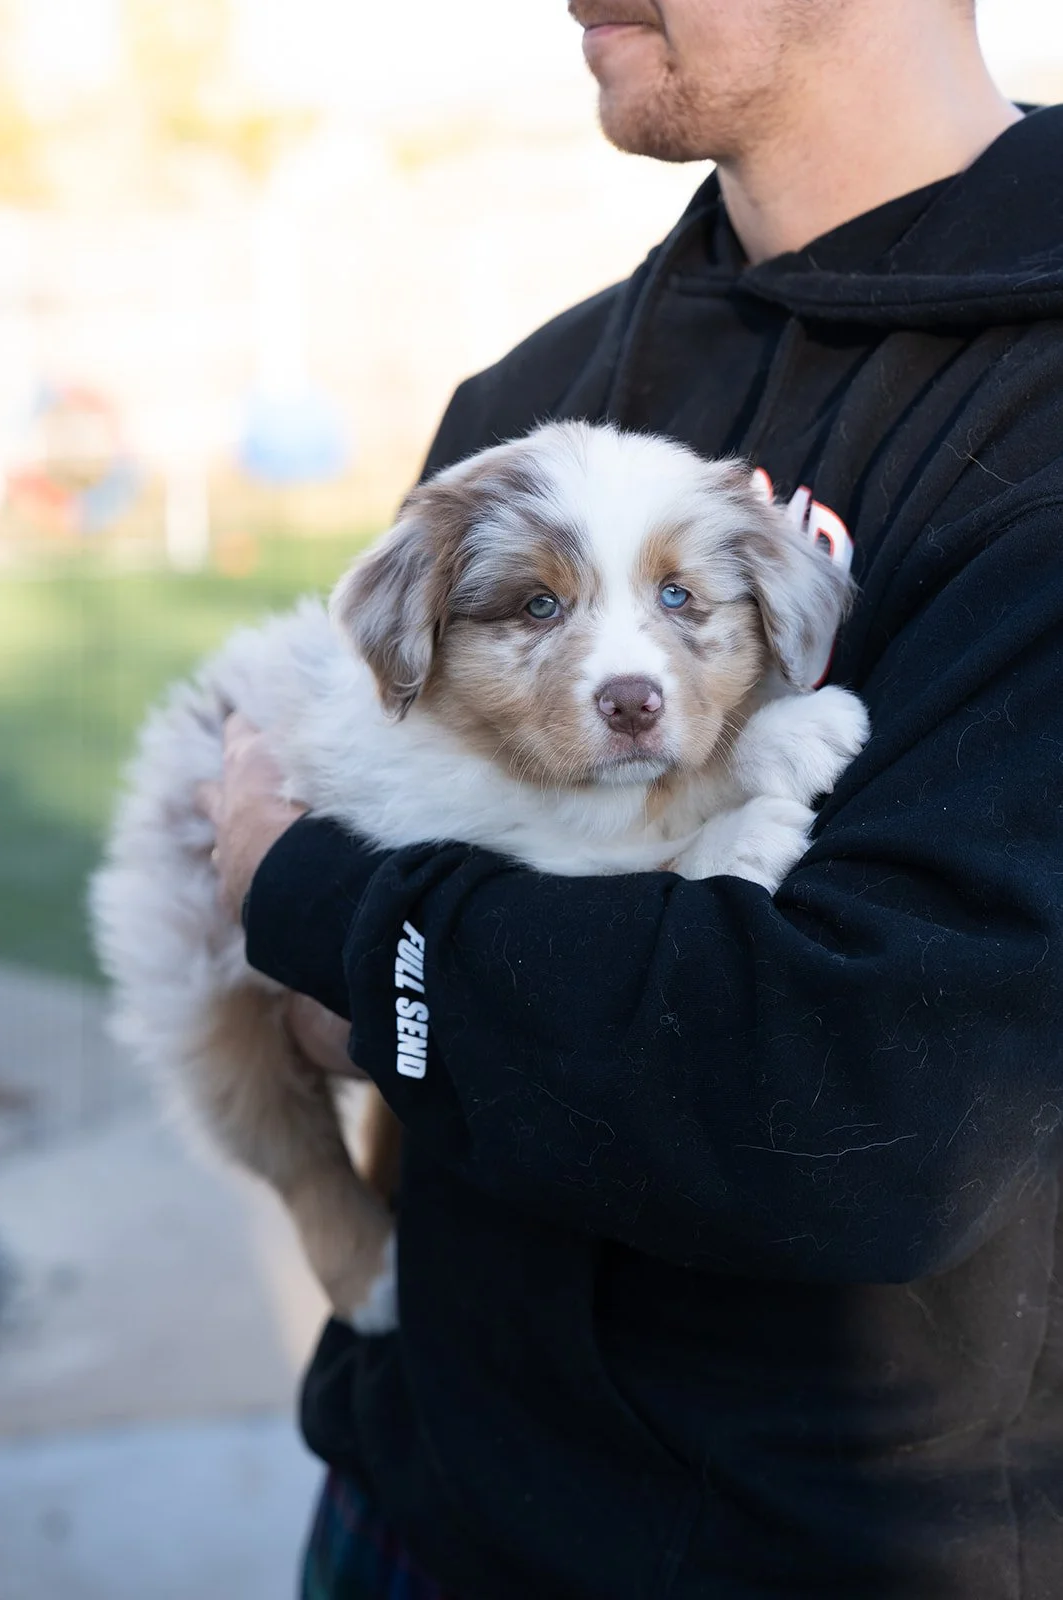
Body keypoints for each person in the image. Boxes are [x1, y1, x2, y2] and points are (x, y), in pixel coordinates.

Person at [199, 2, 1063, 1595]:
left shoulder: (1032, 407)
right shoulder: (536, 389)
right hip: (413, 1496)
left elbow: (864, 1115)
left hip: (819, 1557)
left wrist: (318, 914)